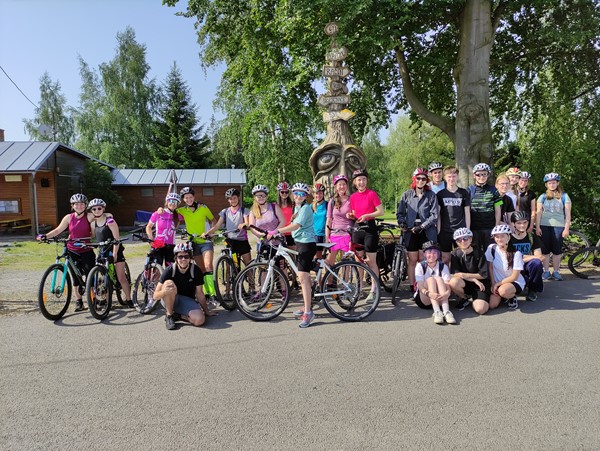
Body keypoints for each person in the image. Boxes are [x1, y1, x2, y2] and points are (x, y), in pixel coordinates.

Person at [267, 183, 317, 328]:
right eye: (296, 193)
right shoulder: (297, 207)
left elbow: (296, 226)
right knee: (304, 277)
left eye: (302, 194)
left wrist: (277, 231)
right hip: (300, 242)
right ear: (292, 195)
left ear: (306, 196)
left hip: (306, 244)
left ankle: (308, 313)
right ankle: (307, 305)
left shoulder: (306, 208)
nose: (298, 196)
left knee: (303, 278)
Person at [36, 193, 96, 312]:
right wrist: (45, 236)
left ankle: (93, 299)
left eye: (82, 204)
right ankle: (79, 302)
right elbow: (58, 230)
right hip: (72, 249)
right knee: (75, 277)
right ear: (72, 205)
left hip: (86, 249)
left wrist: (91, 236)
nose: (79, 206)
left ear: (85, 205)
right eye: (76, 204)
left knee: (90, 276)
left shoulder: (90, 216)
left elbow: (94, 232)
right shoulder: (69, 217)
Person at [154, 243, 215, 330]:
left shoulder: (196, 270)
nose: (183, 259)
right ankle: (169, 315)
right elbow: (155, 296)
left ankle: (179, 316)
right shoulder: (169, 270)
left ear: (190, 257)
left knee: (199, 320)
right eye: (180, 257)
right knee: (169, 283)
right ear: (176, 258)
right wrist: (164, 292)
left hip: (187, 301)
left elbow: (199, 293)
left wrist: (206, 311)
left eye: (186, 256)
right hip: (170, 300)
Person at [397, 168, 439, 288]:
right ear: (414, 179)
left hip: (426, 230)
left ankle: (423, 284)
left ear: (427, 181)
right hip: (410, 230)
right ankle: (412, 285)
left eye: (423, 179)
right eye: (418, 178)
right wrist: (402, 222)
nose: (420, 181)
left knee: (423, 259)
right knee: (412, 259)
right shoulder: (407, 194)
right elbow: (400, 213)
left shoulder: (431, 195)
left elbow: (434, 215)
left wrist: (423, 226)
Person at [348, 169, 384, 301]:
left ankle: (374, 290)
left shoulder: (371, 194)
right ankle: (360, 288)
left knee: (370, 261)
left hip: (370, 229)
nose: (361, 182)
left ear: (366, 181)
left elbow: (380, 211)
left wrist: (367, 215)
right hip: (358, 229)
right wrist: (351, 215)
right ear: (355, 182)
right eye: (359, 180)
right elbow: (355, 213)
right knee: (358, 261)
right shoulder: (353, 197)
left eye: (363, 179)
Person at [88, 198, 132, 307]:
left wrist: (115, 253)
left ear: (103, 208)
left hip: (114, 250)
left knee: (121, 277)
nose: (97, 210)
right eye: (94, 209)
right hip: (102, 251)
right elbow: (93, 237)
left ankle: (129, 299)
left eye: (99, 208)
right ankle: (106, 300)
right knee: (103, 277)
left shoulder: (110, 221)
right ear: (91, 210)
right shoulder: (93, 224)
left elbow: (116, 239)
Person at [176, 187, 217, 303]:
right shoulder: (182, 210)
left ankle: (213, 294)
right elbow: (170, 209)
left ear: (194, 197)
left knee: (208, 266)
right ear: (183, 199)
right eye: (186, 198)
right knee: (201, 269)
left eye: (190, 197)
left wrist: (210, 233)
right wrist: (160, 209)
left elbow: (213, 220)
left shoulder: (202, 207)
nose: (188, 199)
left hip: (206, 241)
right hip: (193, 243)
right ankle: (207, 293)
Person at [535, 172, 571, 281]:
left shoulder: (564, 196)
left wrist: (566, 228)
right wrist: (537, 227)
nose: (552, 185)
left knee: (557, 250)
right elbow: (538, 213)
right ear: (546, 184)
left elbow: (568, 214)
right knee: (545, 250)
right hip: (544, 225)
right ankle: (546, 271)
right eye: (549, 183)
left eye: (554, 183)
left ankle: (556, 272)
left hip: (559, 226)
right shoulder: (543, 197)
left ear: (557, 183)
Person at [203, 188, 252, 267]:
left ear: (238, 198)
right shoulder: (225, 212)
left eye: (234, 198)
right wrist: (207, 233)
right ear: (228, 200)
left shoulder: (244, 210)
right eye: (230, 199)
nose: (233, 200)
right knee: (229, 267)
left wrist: (243, 224)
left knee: (248, 265)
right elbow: (217, 226)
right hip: (230, 242)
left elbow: (247, 222)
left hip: (242, 241)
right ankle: (230, 274)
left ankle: (249, 275)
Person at [449, 228, 491, 314]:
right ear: (456, 242)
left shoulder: (479, 252)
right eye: (459, 240)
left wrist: (465, 275)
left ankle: (477, 299)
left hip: (480, 284)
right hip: (465, 283)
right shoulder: (455, 254)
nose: (462, 241)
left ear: (471, 239)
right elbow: (455, 274)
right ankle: (464, 298)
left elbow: (483, 275)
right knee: (453, 282)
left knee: (481, 309)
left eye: (465, 238)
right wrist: (473, 279)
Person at [485, 223, 526, 311]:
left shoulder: (516, 253)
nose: (499, 239)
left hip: (514, 282)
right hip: (498, 282)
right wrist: (493, 284)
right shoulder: (491, 248)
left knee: (503, 291)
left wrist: (498, 284)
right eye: (496, 236)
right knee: (492, 305)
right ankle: (504, 296)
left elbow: (514, 277)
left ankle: (512, 296)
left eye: (502, 236)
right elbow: (490, 267)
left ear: (509, 236)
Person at [436, 166, 471, 265]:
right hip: (445, 230)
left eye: (454, 176)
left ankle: (459, 274)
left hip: (460, 230)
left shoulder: (463, 193)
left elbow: (467, 212)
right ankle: (446, 274)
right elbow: (438, 214)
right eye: (449, 176)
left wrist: (467, 230)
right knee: (445, 258)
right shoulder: (440, 194)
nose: (451, 179)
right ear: (445, 177)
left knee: (460, 257)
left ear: (457, 177)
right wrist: (438, 230)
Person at [415, 241, 455, 325]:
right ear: (424, 254)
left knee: (439, 279)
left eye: (435, 252)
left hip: (440, 298)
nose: (432, 255)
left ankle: (446, 311)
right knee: (431, 280)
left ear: (438, 254)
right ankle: (437, 312)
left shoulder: (443, 266)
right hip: (425, 298)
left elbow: (447, 283)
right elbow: (420, 285)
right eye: (429, 252)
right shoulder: (420, 266)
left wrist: (447, 293)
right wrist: (429, 294)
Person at [510, 211, 544, 302]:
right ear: (513, 224)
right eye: (519, 223)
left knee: (536, 263)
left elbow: (540, 257)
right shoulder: (508, 238)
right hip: (513, 266)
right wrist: (531, 257)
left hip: (527, 265)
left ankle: (533, 290)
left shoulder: (532, 237)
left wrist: (522, 257)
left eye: (525, 222)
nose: (522, 225)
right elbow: (510, 257)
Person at [468, 163, 502, 253]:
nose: (481, 177)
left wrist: (496, 227)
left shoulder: (494, 190)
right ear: (474, 175)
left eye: (484, 174)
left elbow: (498, 210)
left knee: (490, 253)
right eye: (478, 174)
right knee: (475, 253)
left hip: (489, 228)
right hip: (474, 228)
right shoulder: (469, 190)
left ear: (488, 175)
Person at [325, 174, 354, 268]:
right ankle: (329, 278)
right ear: (336, 187)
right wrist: (327, 236)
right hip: (335, 234)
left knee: (346, 264)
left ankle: (345, 278)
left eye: (344, 184)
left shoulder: (351, 200)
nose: (342, 186)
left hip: (347, 234)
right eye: (340, 184)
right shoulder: (332, 201)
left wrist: (352, 216)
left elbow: (356, 216)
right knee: (329, 262)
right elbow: (329, 219)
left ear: (347, 186)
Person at [145, 192, 182, 266]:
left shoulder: (178, 216)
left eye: (175, 202)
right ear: (167, 202)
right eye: (171, 201)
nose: (173, 203)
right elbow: (148, 227)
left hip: (170, 245)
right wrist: (151, 239)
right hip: (158, 244)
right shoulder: (158, 213)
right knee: (156, 267)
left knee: (170, 268)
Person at [276, 181, 295, 249]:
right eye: (282, 192)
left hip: (291, 232)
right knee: (280, 254)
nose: (284, 193)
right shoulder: (275, 205)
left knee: (292, 253)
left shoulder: (293, 204)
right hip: (280, 232)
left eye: (286, 192)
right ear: (279, 192)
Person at [312, 183, 328, 260]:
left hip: (325, 234)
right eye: (316, 193)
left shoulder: (327, 205)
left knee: (325, 259)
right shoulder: (311, 206)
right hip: (315, 235)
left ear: (323, 194)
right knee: (316, 258)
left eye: (320, 193)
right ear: (314, 194)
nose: (318, 195)